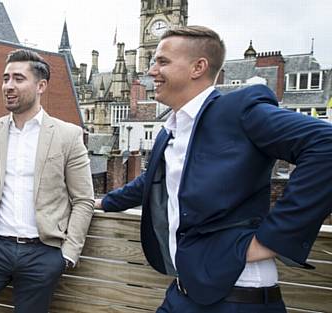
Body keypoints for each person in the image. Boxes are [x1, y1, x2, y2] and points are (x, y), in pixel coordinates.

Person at [96, 25, 332, 312]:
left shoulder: (238, 111)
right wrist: (103, 202)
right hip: (184, 291)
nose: (151, 71)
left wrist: (276, 238)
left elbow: (325, 145)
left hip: (238, 296)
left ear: (198, 67)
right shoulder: (170, 131)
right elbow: (153, 180)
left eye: (162, 61)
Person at [0, 49, 95, 312]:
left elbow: (83, 199)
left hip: (43, 253)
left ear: (41, 85)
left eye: (19, 79)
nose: (8, 86)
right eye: (5, 78)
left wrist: (67, 255)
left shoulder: (68, 135)